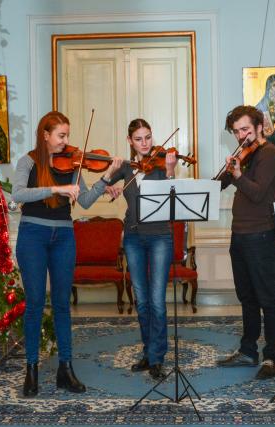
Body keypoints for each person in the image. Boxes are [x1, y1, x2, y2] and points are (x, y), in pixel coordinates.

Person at [12, 111, 123, 396]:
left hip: (63, 235)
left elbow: (84, 201)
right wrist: (55, 188)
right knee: (35, 303)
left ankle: (65, 369)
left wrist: (105, 181)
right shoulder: (28, 161)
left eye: (67, 136)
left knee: (62, 304)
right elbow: (18, 194)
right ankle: (32, 369)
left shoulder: (73, 163)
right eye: (61, 136)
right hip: (32, 235)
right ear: (45, 135)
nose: (66, 142)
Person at [104, 118, 178, 380]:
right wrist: (111, 188)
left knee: (157, 301)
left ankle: (157, 357)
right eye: (139, 139)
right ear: (130, 141)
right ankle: (148, 352)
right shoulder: (126, 167)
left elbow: (173, 196)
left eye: (148, 137)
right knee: (142, 300)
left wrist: (169, 171)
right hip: (133, 237)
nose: (145, 143)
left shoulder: (162, 162)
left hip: (160, 237)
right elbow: (107, 187)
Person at [215, 105, 275, 380]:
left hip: (262, 233)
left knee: (267, 297)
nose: (240, 135)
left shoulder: (270, 155)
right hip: (240, 233)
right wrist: (221, 175)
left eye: (245, 129)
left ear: (259, 126)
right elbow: (221, 184)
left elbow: (257, 194)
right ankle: (247, 350)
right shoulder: (244, 154)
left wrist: (238, 175)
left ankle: (272, 356)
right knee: (246, 297)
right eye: (236, 131)